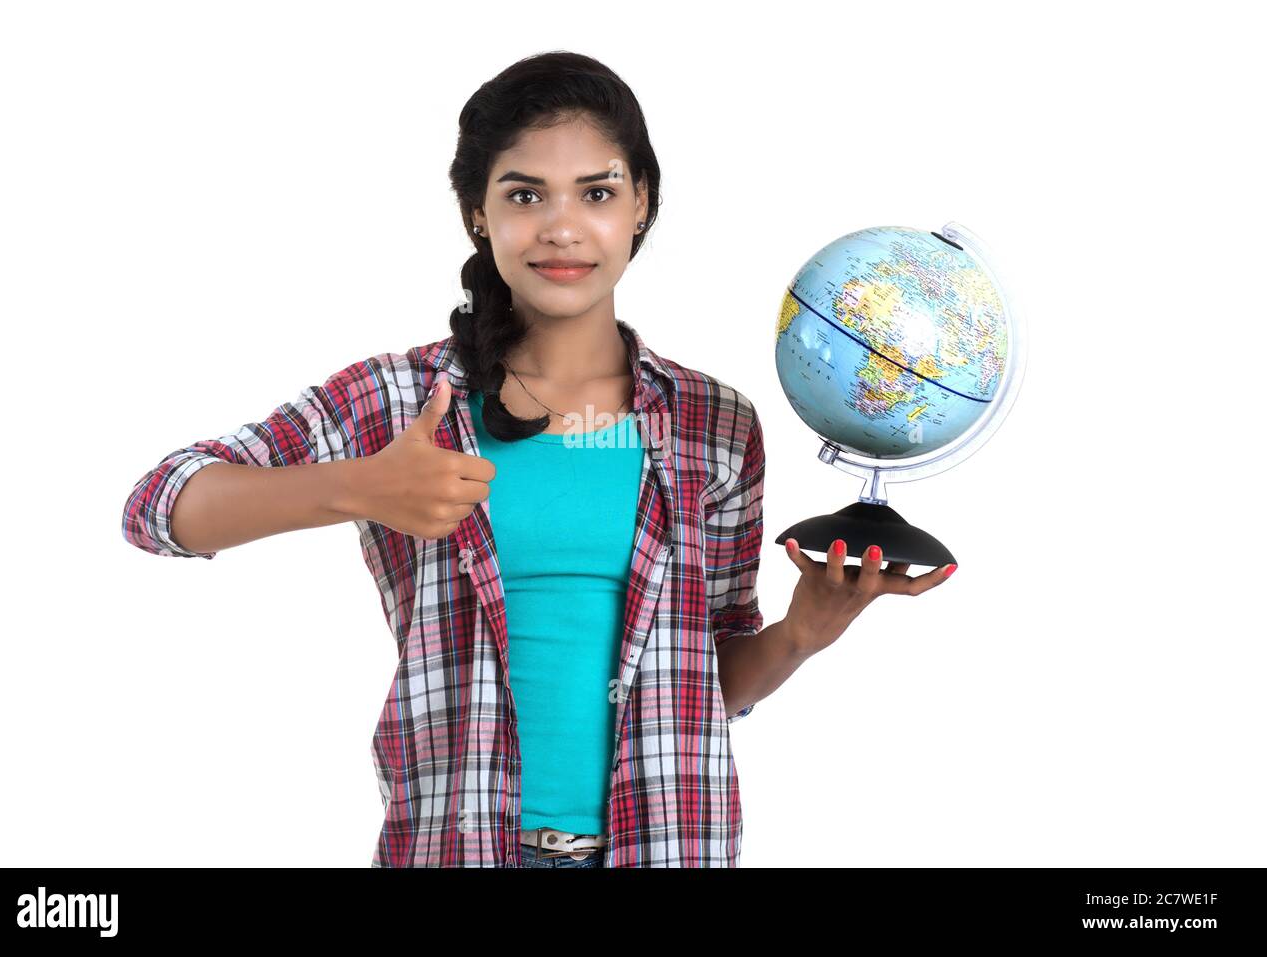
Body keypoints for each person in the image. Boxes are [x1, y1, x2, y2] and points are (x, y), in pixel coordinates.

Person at [121, 50, 956, 868]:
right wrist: (359, 486)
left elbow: (714, 682)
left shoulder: (714, 425)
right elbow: (161, 505)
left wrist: (802, 633)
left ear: (641, 204)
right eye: (525, 194)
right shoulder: (401, 401)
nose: (562, 227)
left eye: (597, 192)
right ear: (478, 214)